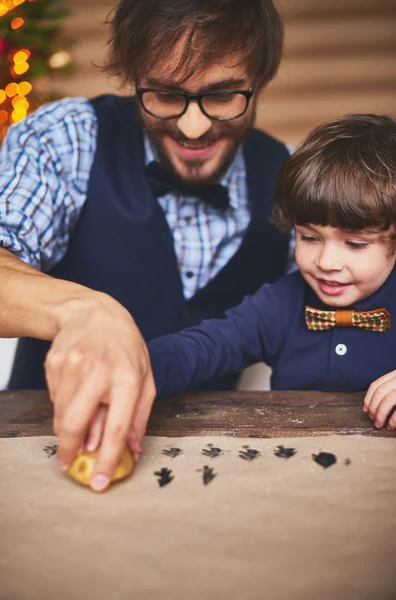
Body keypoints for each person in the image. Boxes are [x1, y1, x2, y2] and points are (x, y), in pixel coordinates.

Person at [0, 1, 291, 490]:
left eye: (222, 96)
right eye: (166, 94)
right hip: (42, 464)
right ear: (133, 77)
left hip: (217, 480)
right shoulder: (66, 137)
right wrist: (83, 310)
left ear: (260, 79)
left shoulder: (290, 178)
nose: (193, 127)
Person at [147, 113, 396, 443]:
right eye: (309, 237)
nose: (326, 261)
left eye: (355, 244)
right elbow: (207, 346)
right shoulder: (279, 304)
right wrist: (138, 365)